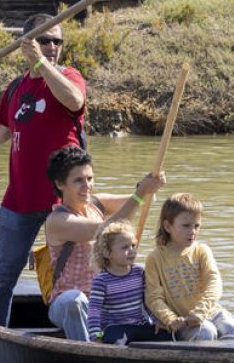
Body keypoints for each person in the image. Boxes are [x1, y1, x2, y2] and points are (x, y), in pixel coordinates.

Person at [0, 12, 87, 328]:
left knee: (76, 273)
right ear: (27, 44)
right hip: (19, 200)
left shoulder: (68, 76)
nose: (52, 47)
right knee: (3, 276)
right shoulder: (19, 86)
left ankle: (79, 332)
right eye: (44, 40)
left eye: (57, 41)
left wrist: (42, 64)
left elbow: (74, 101)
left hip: (63, 202)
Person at [42, 146, 164, 341]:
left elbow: (142, 200)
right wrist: (141, 192)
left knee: (144, 275)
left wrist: (149, 185)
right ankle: (87, 351)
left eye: (89, 179)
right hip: (65, 304)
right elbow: (106, 228)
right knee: (75, 300)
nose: (87, 186)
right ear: (60, 184)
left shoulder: (96, 204)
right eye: (78, 180)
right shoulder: (57, 221)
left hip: (102, 301)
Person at [144, 193, 234, 341]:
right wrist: (170, 319)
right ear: (167, 226)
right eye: (186, 226)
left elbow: (214, 283)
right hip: (183, 322)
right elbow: (153, 298)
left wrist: (200, 312)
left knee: (232, 328)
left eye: (196, 226)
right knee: (206, 333)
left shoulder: (202, 251)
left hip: (210, 312)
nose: (192, 231)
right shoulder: (155, 259)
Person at [87, 220, 163, 344]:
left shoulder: (139, 273)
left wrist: (156, 320)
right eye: (125, 247)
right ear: (107, 253)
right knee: (115, 337)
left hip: (139, 326)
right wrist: (95, 335)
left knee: (166, 334)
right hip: (115, 328)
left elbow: (148, 302)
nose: (132, 250)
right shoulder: (101, 280)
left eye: (133, 245)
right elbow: (94, 310)